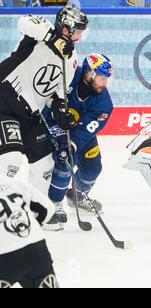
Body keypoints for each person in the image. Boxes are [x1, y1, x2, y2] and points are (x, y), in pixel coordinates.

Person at [0, 6, 88, 197]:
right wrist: (52, 38)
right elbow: (23, 22)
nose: (80, 37)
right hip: (5, 103)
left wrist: (59, 110)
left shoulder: (71, 58)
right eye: (78, 31)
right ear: (66, 29)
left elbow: (58, 90)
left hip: (31, 113)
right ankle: (4, 214)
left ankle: (36, 213)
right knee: (10, 161)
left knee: (45, 167)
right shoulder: (40, 32)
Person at [43, 53, 113, 230]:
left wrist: (73, 142)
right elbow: (46, 96)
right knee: (64, 158)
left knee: (93, 167)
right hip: (54, 122)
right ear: (89, 74)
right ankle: (54, 202)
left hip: (81, 131)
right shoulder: (69, 74)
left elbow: (88, 128)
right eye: (101, 78)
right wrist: (54, 114)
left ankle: (77, 196)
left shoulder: (104, 102)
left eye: (106, 79)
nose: (104, 83)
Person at [0, 175, 58, 288]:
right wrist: (31, 231)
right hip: (37, 251)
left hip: (4, 257)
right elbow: (48, 207)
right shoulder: (13, 182)